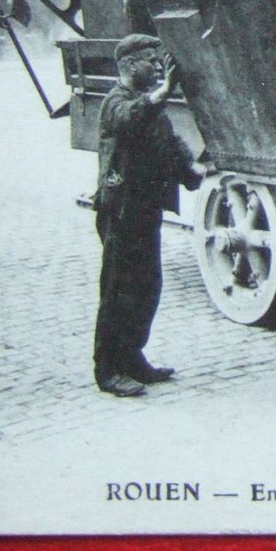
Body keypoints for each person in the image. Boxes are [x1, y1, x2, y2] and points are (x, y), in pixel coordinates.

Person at [92, 34, 207, 398]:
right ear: (128, 66)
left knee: (146, 287)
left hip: (146, 208)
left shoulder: (151, 107)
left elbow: (170, 145)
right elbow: (131, 118)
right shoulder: (115, 103)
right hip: (122, 209)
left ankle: (132, 356)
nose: (158, 66)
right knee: (118, 290)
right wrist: (164, 91)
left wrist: (194, 172)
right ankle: (108, 369)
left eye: (158, 60)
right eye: (149, 60)